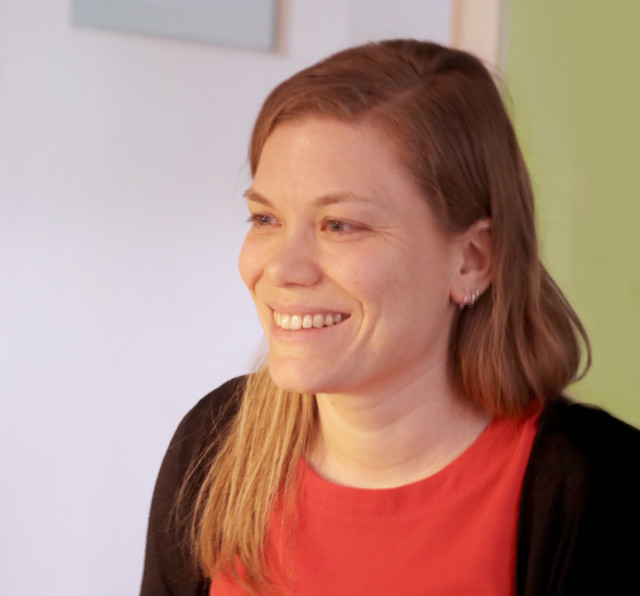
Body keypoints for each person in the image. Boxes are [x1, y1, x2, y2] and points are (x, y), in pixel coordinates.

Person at [140, 40, 640, 596]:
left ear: (472, 261)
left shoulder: (599, 491)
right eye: (265, 218)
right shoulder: (214, 444)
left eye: (340, 225)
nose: (282, 268)